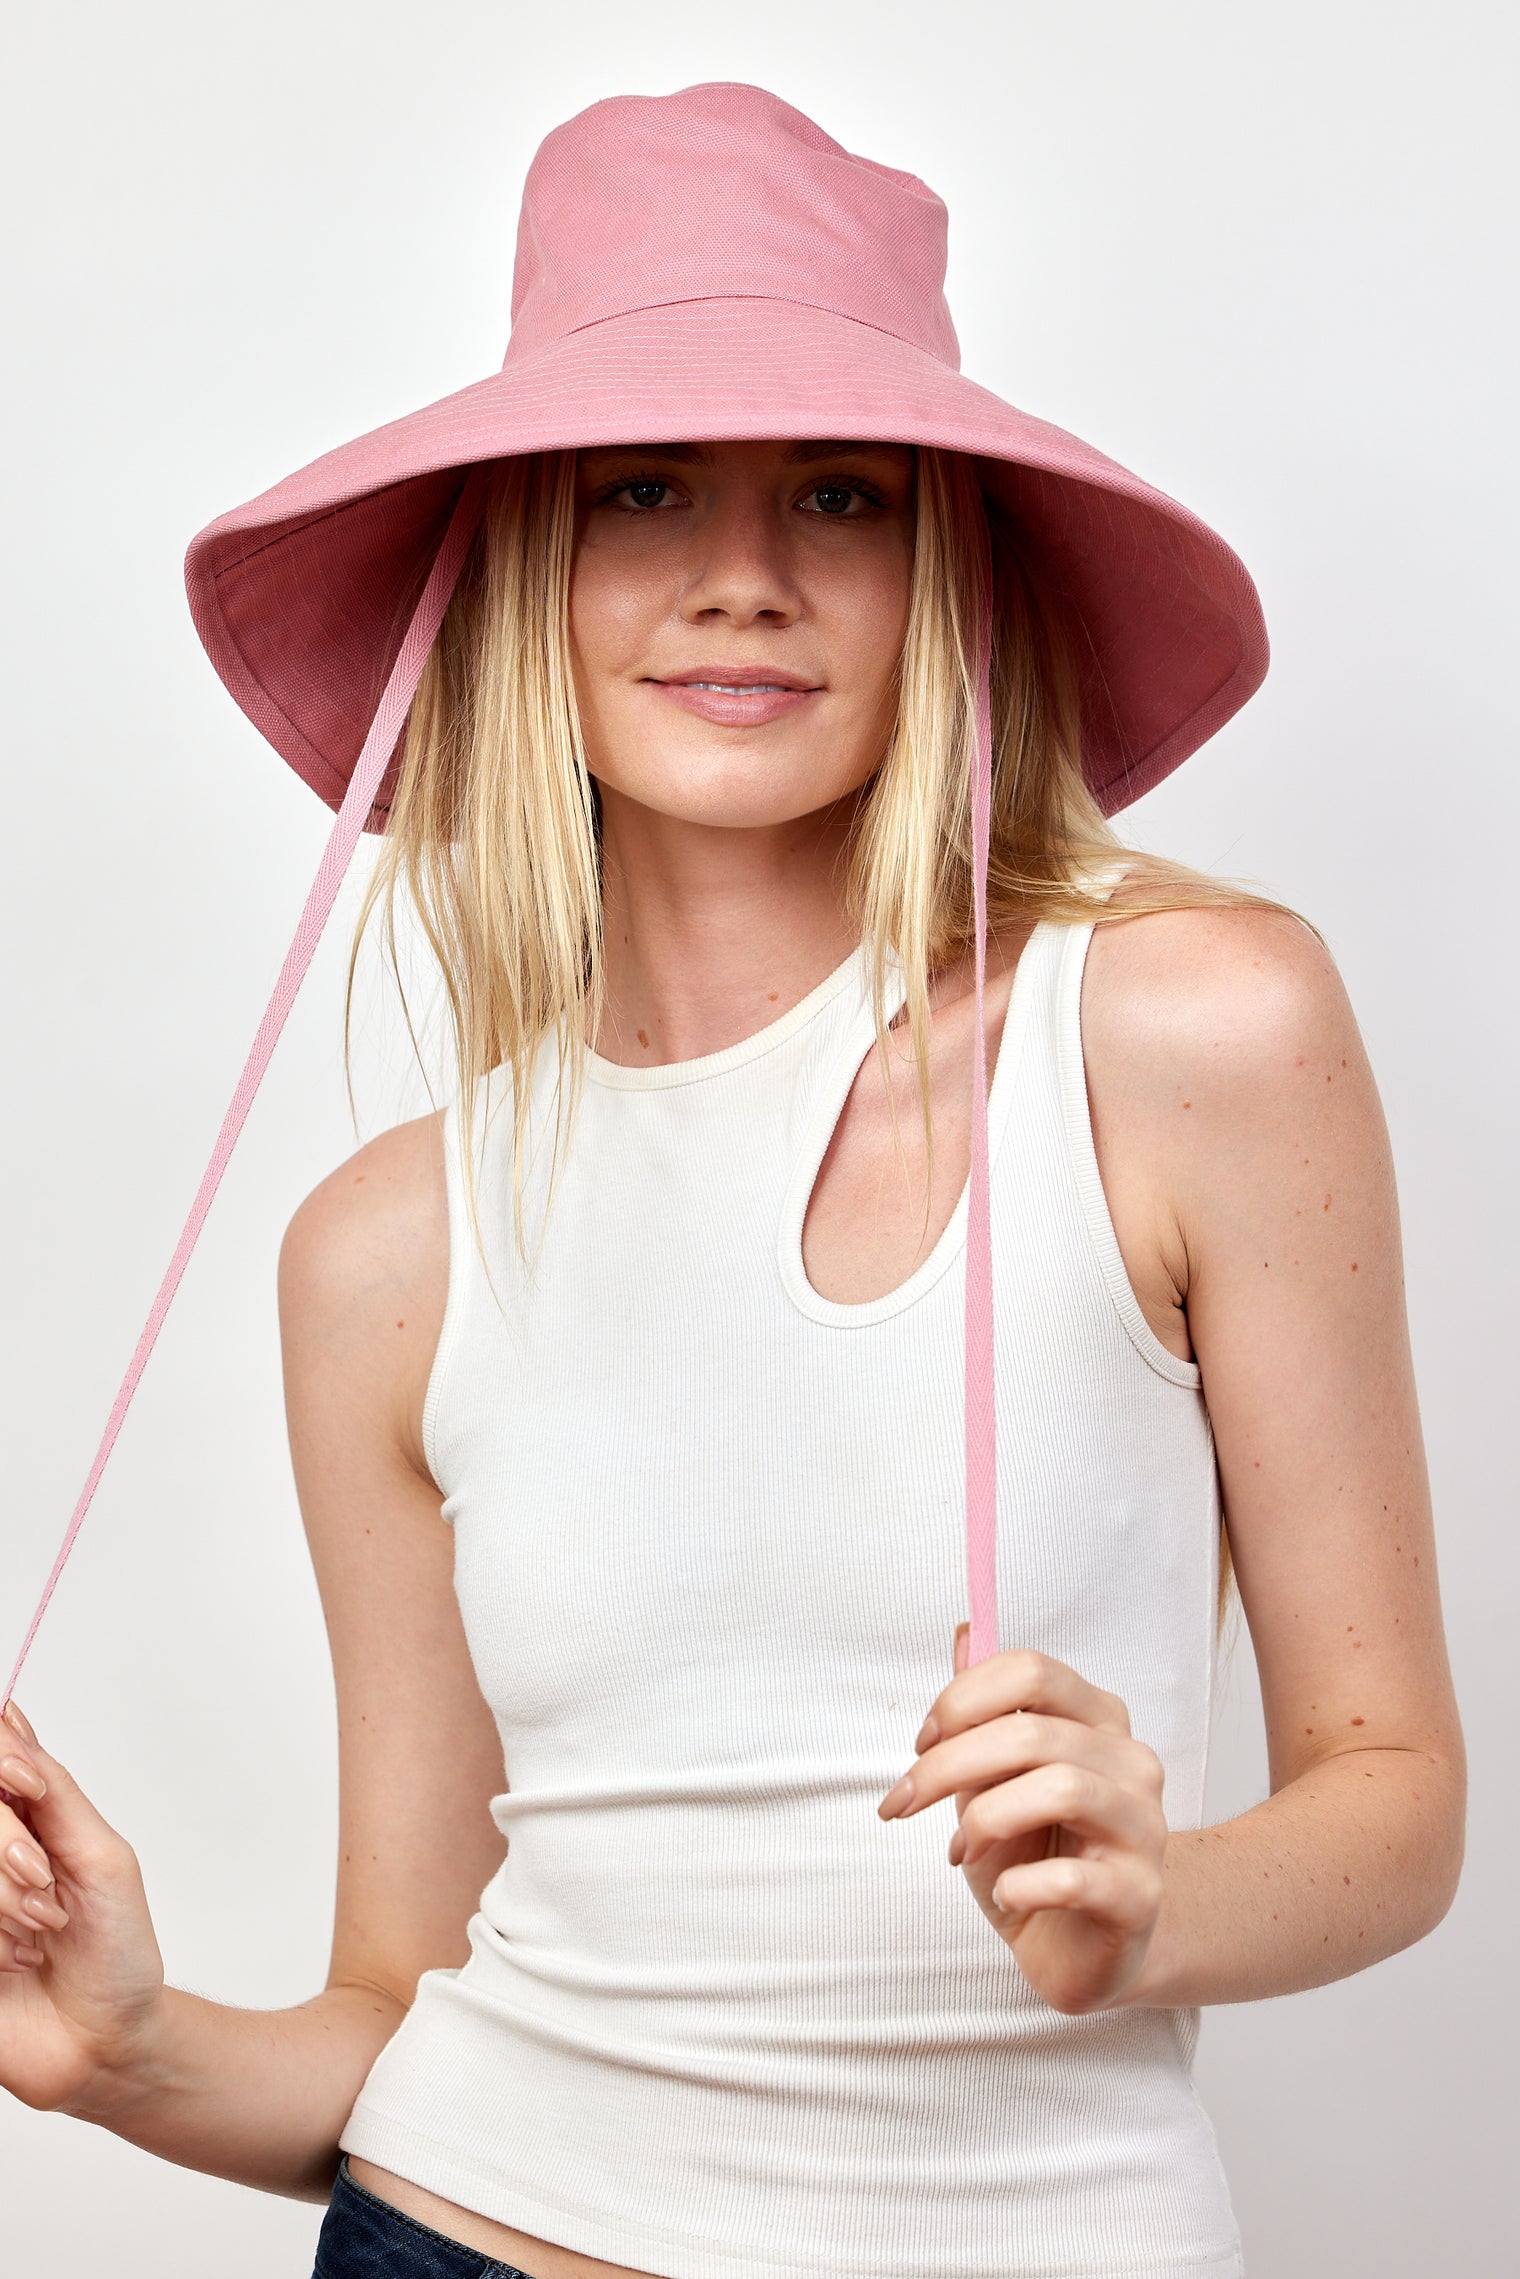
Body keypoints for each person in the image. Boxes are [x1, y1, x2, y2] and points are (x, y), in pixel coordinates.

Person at [0, 82, 1465, 2279]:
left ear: (941, 567)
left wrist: (1165, 1898)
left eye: (842, 497)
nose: (741, 581)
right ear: (515, 566)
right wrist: (124, 2049)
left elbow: (1394, 1797)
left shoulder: (1184, 1033)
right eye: (643, 488)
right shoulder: (388, 1250)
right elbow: (405, 2008)